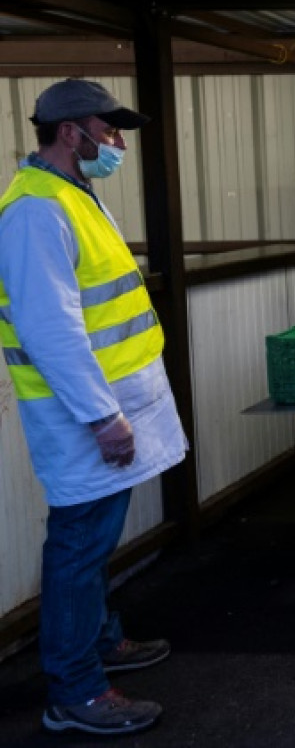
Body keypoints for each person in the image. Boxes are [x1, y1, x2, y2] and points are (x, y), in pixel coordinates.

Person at [0, 78, 190, 736]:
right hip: (83, 417)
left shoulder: (74, 197)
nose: (115, 143)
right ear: (69, 132)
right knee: (79, 545)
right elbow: (49, 329)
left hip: (110, 407)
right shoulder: (34, 210)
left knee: (96, 537)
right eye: (107, 130)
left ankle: (102, 640)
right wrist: (102, 417)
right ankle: (74, 689)